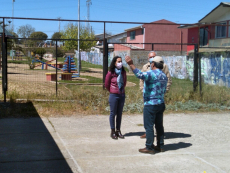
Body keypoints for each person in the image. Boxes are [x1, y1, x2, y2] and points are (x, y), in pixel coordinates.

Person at [125, 55, 167, 154]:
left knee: (149, 126)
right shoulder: (164, 76)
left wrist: (131, 64)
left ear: (153, 64)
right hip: (160, 103)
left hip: (150, 104)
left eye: (151, 63)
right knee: (159, 126)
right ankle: (160, 145)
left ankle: (149, 147)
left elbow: (140, 75)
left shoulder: (151, 73)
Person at [139, 51, 172, 139]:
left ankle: (153, 140)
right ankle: (148, 133)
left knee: (157, 118)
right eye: (150, 57)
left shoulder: (163, 66)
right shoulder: (145, 67)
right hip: (148, 96)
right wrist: (143, 90)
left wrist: (164, 90)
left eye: (153, 57)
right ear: (148, 58)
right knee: (148, 117)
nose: (152, 58)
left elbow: (168, 79)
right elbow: (141, 79)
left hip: (158, 96)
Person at [105, 56, 127, 140]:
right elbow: (107, 84)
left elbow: (124, 83)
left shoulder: (123, 72)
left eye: (121, 61)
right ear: (114, 63)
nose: (120, 63)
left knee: (119, 113)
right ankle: (113, 131)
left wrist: (121, 90)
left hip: (121, 94)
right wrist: (112, 90)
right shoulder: (111, 72)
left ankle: (118, 130)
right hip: (113, 95)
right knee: (113, 113)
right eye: (118, 61)